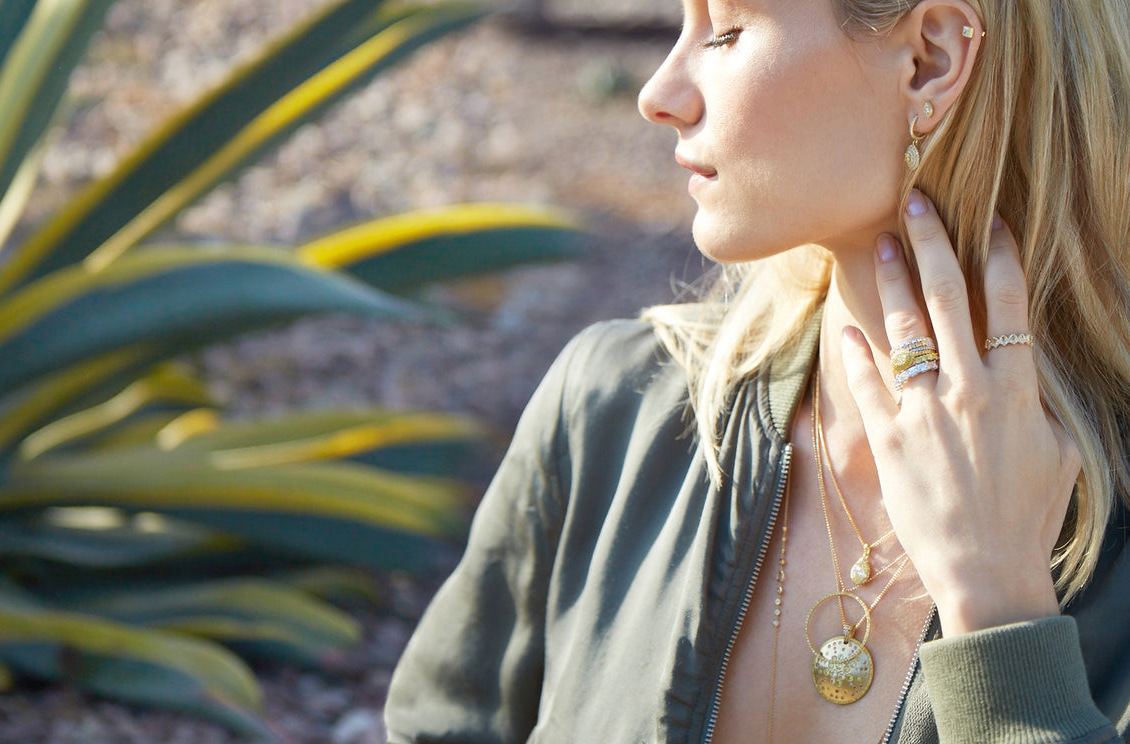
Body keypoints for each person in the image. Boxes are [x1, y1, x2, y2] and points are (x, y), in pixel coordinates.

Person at [384, 0, 1130, 741]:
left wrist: (1003, 622)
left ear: (930, 59)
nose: (658, 95)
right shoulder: (612, 414)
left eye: (727, 29)